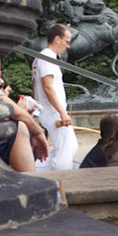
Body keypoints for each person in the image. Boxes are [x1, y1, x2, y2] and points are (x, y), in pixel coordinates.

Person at [0, 56, 48, 174]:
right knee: (19, 128)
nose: (9, 88)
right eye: (3, 86)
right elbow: (15, 112)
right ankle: (30, 185)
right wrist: (37, 132)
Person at [31, 23, 78, 172]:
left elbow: (35, 87)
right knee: (68, 148)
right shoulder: (47, 58)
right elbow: (48, 87)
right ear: (57, 39)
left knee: (63, 149)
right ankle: (63, 181)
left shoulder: (40, 58)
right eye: (67, 41)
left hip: (49, 111)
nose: (68, 46)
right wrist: (62, 112)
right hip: (53, 112)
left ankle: (33, 170)